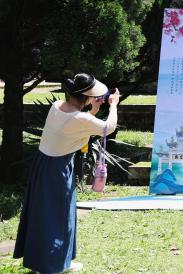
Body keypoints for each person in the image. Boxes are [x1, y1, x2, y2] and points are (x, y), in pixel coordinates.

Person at [14, 73, 119, 273]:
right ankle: (56, 265)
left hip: (42, 164)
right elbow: (108, 128)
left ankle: (41, 261)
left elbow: (76, 125)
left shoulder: (57, 106)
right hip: (58, 168)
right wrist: (113, 105)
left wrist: (93, 110)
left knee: (42, 213)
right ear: (87, 97)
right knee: (60, 216)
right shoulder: (80, 118)